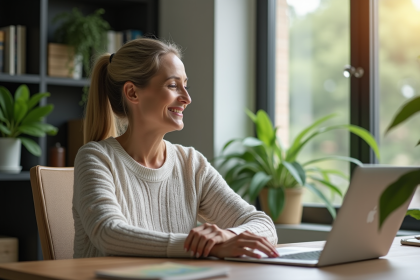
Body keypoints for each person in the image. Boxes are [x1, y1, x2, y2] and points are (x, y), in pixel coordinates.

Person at [73, 38, 279, 259]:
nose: (187, 98)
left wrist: (226, 237)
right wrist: (203, 247)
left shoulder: (191, 163)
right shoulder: (95, 158)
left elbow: (264, 226)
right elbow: (109, 234)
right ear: (132, 92)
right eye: (173, 85)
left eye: (185, 85)